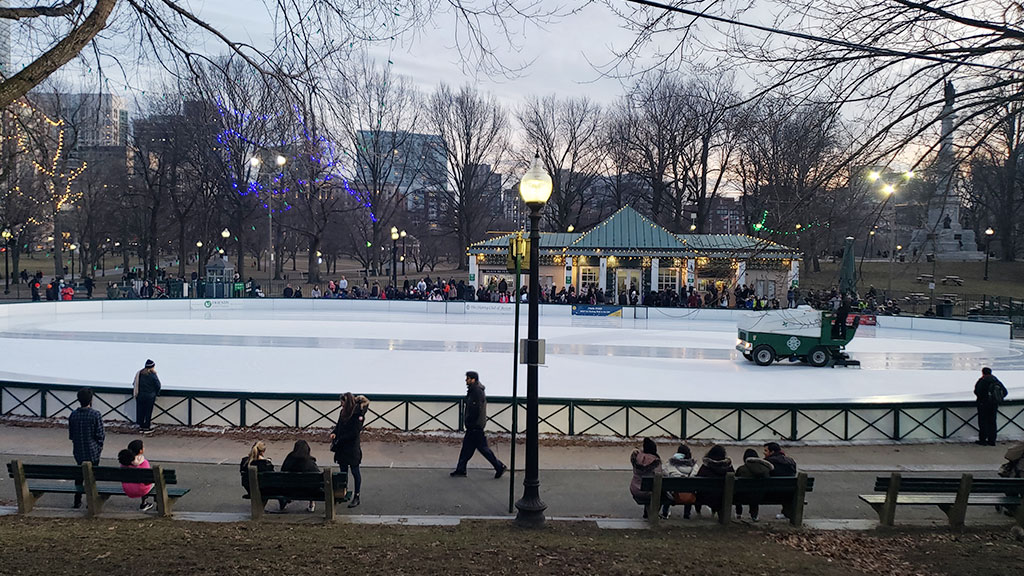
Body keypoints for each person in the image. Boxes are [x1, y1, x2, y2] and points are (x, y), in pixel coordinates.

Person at [450, 371, 507, 480]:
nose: (466, 380)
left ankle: (499, 466)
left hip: (475, 426)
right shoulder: (475, 390)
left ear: (473, 379)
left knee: (483, 449)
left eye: (468, 378)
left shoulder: (476, 391)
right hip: (474, 426)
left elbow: (476, 409)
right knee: (467, 449)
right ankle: (461, 469)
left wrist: (470, 421)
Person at [331, 392, 370, 508]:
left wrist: (340, 438)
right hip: (342, 447)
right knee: (343, 471)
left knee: (355, 471)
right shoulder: (343, 412)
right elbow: (338, 426)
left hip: (351, 448)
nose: (341, 405)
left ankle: (357, 496)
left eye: (342, 403)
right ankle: (343, 492)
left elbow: (355, 432)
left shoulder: (358, 414)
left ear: (347, 402)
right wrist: (334, 433)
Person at [68, 388, 105, 508]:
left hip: (79, 451)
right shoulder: (95, 415)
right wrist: (99, 447)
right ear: (91, 400)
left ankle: (77, 500)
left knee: (80, 475)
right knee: (92, 477)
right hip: (93, 451)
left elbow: (72, 435)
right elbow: (100, 434)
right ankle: (91, 500)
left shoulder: (73, 415)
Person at [239, 440, 283, 509]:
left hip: (250, 489)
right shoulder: (265, 464)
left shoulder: (244, 462)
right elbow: (272, 476)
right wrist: (268, 462)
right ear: (263, 452)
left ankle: (259, 507)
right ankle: (260, 508)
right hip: (264, 490)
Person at [734, 448, 773, 522]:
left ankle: (738, 512)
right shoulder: (765, 469)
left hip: (742, 496)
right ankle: (754, 515)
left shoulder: (742, 469)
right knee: (755, 492)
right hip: (762, 496)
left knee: (738, 491)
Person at [659, 444, 696, 520]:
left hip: (673, 494)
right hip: (688, 494)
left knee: (667, 487)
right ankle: (686, 514)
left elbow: (664, 472)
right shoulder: (694, 467)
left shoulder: (670, 465)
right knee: (689, 487)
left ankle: (665, 513)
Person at [282, 439, 321, 512]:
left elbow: (283, 470)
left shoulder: (290, 458)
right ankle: (311, 504)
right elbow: (318, 477)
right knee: (312, 482)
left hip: (290, 490)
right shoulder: (309, 462)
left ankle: (284, 501)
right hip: (308, 491)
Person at [695, 445, 734, 518]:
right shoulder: (728, 467)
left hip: (705, 496)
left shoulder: (705, 467)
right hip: (723, 496)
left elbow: (698, 482)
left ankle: (698, 511)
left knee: (700, 490)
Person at [629, 437, 663, 519]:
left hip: (635, 489)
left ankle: (647, 513)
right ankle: (653, 514)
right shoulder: (656, 462)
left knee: (649, 487)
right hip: (647, 492)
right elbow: (660, 475)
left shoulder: (637, 458)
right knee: (657, 492)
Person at [117, 439, 155, 512]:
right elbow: (148, 481)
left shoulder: (124, 463)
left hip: (127, 489)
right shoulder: (144, 462)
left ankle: (144, 503)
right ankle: (144, 503)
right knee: (153, 482)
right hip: (141, 490)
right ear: (140, 451)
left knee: (139, 481)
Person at [974, 367, 1008, 446]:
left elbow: (977, 391)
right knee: (992, 422)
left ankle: (983, 439)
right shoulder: (996, 381)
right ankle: (992, 440)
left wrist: (983, 399)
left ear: (983, 373)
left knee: (983, 422)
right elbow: (1005, 392)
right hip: (993, 404)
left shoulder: (982, 381)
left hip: (983, 405)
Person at [763, 442, 798, 519]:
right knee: (786, 488)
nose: (763, 452)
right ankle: (787, 513)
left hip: (772, 494)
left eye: (766, 451)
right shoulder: (791, 461)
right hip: (790, 492)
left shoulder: (768, 462)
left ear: (772, 452)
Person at [133, 359, 161, 433]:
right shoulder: (152, 375)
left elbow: (134, 383)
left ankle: (140, 425)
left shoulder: (139, 374)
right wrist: (156, 393)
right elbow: (158, 385)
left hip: (140, 395)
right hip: (150, 396)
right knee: (148, 411)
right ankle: (147, 426)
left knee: (140, 410)